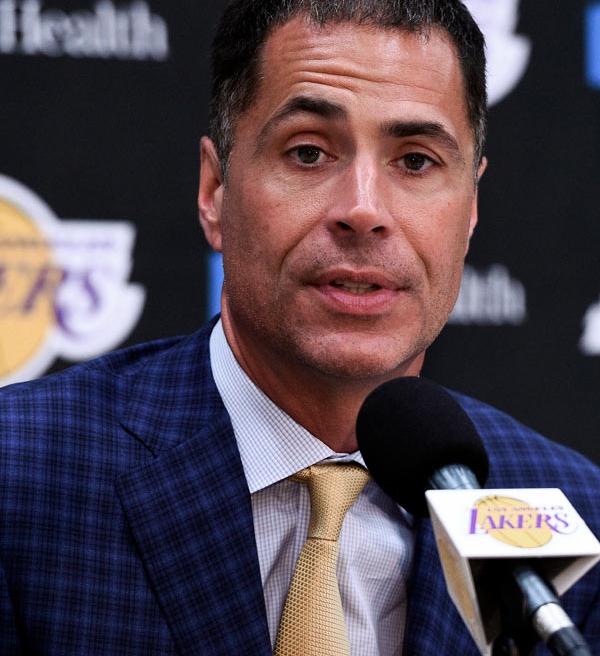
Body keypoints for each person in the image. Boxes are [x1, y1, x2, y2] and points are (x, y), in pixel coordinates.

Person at [1, 0, 599, 654]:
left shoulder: (574, 519)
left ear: (472, 207)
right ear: (214, 190)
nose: (363, 210)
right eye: (309, 152)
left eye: (416, 161)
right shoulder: (19, 472)